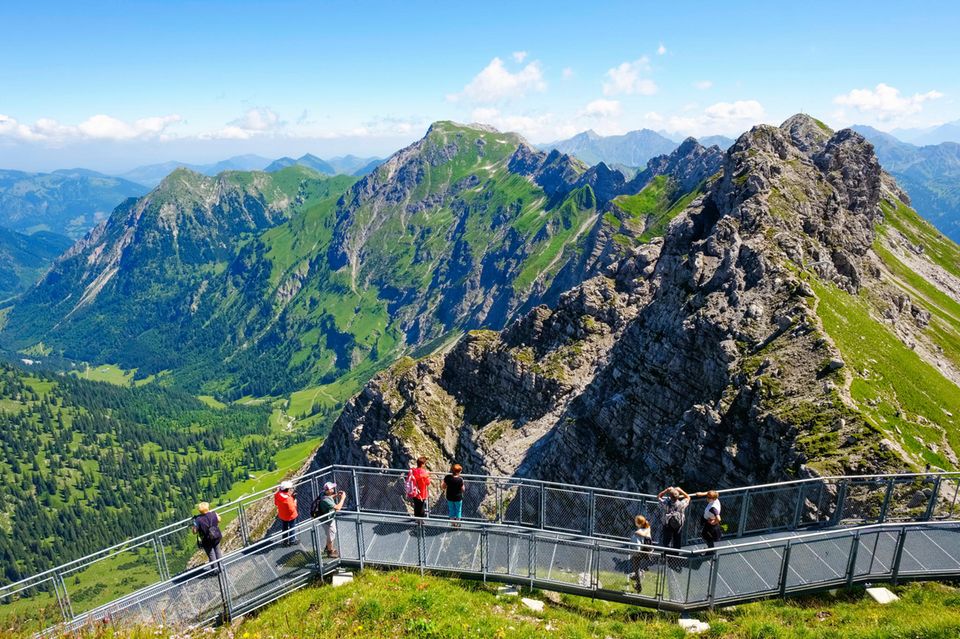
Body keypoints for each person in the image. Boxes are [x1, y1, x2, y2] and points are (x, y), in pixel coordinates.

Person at [311, 481, 347, 558]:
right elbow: (337, 508)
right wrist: (343, 498)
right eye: (332, 488)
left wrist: (337, 495)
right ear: (328, 490)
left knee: (330, 534)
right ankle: (330, 552)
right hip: (328, 521)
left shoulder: (323, 493)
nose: (333, 489)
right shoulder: (325, 500)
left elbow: (329, 498)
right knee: (331, 536)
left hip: (325, 519)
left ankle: (328, 547)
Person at [657, 485, 691, 550]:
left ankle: (667, 555)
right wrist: (680, 490)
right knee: (677, 540)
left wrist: (666, 490)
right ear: (678, 497)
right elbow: (688, 497)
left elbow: (659, 497)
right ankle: (676, 556)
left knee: (667, 540)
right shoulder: (681, 504)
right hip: (678, 525)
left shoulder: (666, 503)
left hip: (667, 524)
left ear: (670, 496)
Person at [192, 502, 223, 566]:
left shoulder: (198, 520)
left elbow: (194, 532)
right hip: (216, 536)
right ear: (208, 508)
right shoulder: (214, 514)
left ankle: (215, 570)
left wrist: (194, 524)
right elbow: (219, 520)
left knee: (211, 555)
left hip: (207, 540)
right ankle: (221, 567)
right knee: (218, 551)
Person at [629, 515, 653, 592]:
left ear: (638, 523)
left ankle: (639, 585)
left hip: (641, 552)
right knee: (636, 564)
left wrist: (636, 532)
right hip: (645, 550)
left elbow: (638, 545)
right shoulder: (647, 527)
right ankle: (638, 574)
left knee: (636, 566)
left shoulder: (641, 531)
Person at [274, 480, 298, 546]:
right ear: (287, 489)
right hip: (291, 516)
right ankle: (292, 540)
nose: (291, 489)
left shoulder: (277, 495)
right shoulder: (288, 499)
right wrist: (294, 500)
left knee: (284, 527)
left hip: (283, 515)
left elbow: (276, 503)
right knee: (292, 527)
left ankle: (285, 540)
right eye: (290, 488)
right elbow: (292, 509)